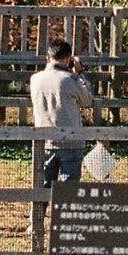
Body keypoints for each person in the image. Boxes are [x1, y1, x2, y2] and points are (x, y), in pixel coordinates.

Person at [29, 38, 95, 229]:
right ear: (68, 59)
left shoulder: (35, 79)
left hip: (43, 140)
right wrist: (79, 75)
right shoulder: (69, 80)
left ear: (48, 57)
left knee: (42, 184)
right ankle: (65, 224)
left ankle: (36, 222)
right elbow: (87, 100)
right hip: (71, 141)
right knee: (69, 186)